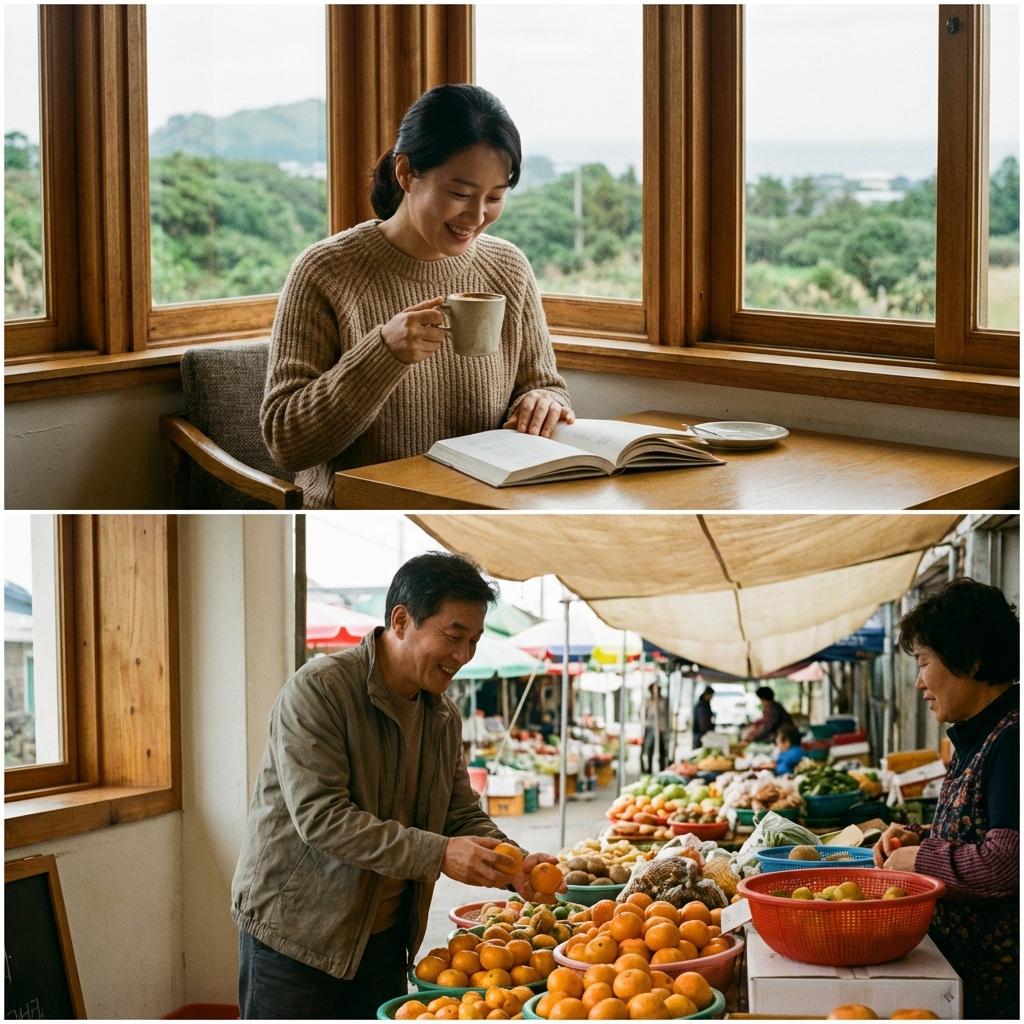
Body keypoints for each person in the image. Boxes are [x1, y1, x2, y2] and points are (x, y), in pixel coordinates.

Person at [231, 551, 565, 1019]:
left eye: (473, 641)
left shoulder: (442, 715)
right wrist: (441, 853)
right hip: (296, 936)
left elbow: (459, 811)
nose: (463, 656)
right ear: (402, 619)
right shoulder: (320, 691)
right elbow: (323, 819)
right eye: (454, 636)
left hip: (383, 939)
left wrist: (510, 861)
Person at [261, 83, 574, 508]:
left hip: (484, 509)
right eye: (460, 194)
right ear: (406, 173)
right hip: (364, 510)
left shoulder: (509, 268)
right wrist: (382, 353)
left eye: (495, 197)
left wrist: (543, 401)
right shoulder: (326, 271)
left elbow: (544, 385)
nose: (478, 216)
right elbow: (286, 443)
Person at [872, 578, 1018, 1020]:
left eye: (924, 662)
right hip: (958, 970)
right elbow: (978, 830)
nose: (918, 683)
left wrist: (920, 860)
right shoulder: (978, 736)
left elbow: (1006, 863)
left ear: (971, 661)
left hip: (1001, 989)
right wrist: (915, 837)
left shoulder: (1013, 742)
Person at [641, 683, 670, 774]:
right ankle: (648, 770)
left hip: (661, 728)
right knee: (649, 750)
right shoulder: (648, 701)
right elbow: (643, 714)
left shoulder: (664, 701)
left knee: (662, 751)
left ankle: (662, 770)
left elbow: (666, 714)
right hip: (650, 728)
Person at [692, 686, 715, 750]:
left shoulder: (706, 704)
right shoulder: (701, 705)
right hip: (699, 733)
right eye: (711, 695)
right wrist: (705, 733)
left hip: (701, 732)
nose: (712, 698)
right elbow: (702, 721)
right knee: (698, 750)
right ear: (707, 694)